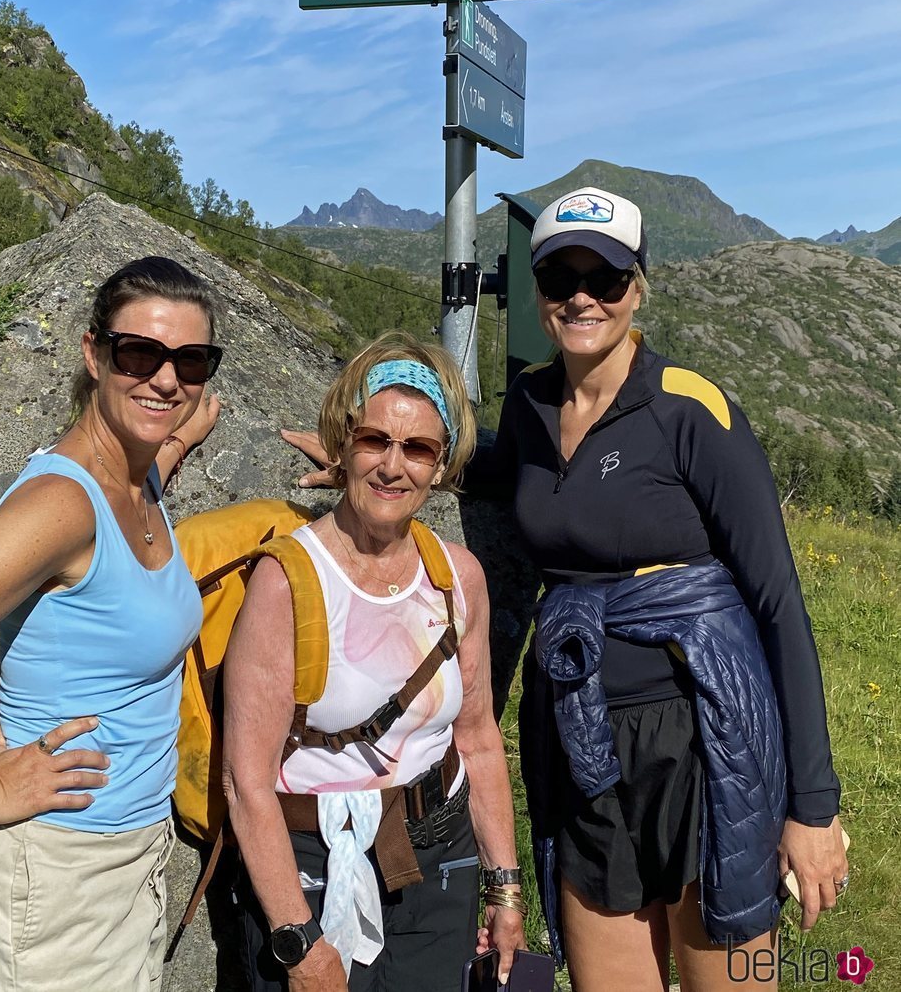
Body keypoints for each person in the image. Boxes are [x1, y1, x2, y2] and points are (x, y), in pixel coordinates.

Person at [282, 190, 848, 992]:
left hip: (703, 741)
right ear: (538, 292)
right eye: (559, 277)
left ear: (638, 286)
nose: (582, 295)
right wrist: (368, 461)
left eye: (605, 277)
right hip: (584, 744)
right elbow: (491, 469)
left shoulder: (692, 411)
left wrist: (813, 809)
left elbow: (778, 605)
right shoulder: (532, 403)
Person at [0, 256, 222, 992]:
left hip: (122, 874)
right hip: (47, 886)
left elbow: (149, 457)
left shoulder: (139, 473)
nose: (165, 379)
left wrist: (177, 440)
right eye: (139, 353)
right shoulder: (64, 505)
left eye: (191, 360)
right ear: (93, 353)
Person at [225, 333, 525, 992]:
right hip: (312, 864)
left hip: (438, 857)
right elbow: (246, 782)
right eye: (374, 440)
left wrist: (505, 889)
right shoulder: (288, 580)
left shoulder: (456, 577)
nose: (393, 465)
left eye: (418, 447)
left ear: (442, 462)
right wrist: (297, 940)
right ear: (343, 442)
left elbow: (477, 738)